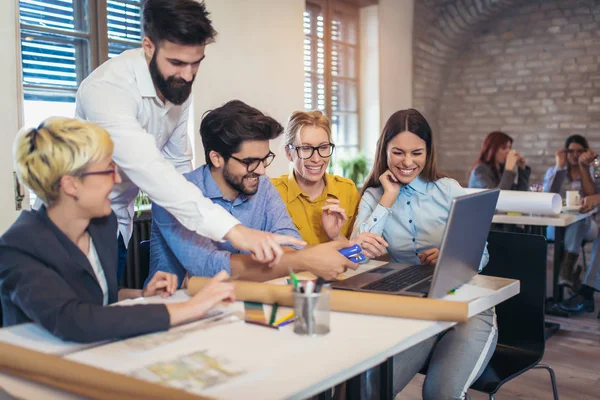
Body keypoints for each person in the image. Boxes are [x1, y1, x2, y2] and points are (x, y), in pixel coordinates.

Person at [75, 0, 302, 282]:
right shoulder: (107, 89)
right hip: (75, 221)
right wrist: (236, 232)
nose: (187, 75)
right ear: (148, 46)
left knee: (104, 310)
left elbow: (178, 165)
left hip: (117, 221)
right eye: (177, 63)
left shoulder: (179, 87)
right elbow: (150, 170)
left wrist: (188, 237)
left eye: (196, 63)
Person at [0, 118, 235, 343]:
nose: (116, 178)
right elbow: (73, 319)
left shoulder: (103, 224)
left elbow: (98, 300)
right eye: (106, 171)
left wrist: (141, 295)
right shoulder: (18, 248)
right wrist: (191, 308)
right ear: (71, 185)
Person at [353, 109, 496, 400]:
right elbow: (357, 253)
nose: (407, 162)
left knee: (440, 394)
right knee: (372, 392)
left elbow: (481, 254)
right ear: (385, 151)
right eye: (398, 152)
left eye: (417, 152)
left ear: (428, 152)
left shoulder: (447, 189)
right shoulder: (374, 196)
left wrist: (449, 255)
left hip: (466, 306)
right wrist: (388, 198)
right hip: (414, 308)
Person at [148, 101, 357, 287]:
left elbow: (289, 243)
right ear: (217, 158)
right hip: (177, 309)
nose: (262, 170)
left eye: (265, 159)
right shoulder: (176, 196)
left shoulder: (262, 186)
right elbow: (210, 269)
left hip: (243, 301)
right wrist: (302, 260)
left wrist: (303, 256)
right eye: (250, 162)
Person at [271, 110, 387, 258]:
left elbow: (357, 257)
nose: (316, 158)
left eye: (323, 147)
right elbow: (276, 257)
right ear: (289, 152)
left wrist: (336, 236)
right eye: (306, 148)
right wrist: (345, 246)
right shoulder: (272, 192)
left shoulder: (347, 189)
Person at [544, 135, 600, 290]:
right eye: (571, 151)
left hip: (587, 224)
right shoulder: (555, 171)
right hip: (557, 225)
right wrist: (559, 166)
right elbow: (547, 196)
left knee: (579, 221)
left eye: (580, 151)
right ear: (565, 153)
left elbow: (592, 196)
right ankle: (567, 274)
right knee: (568, 226)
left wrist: (584, 168)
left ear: (586, 152)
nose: (575, 155)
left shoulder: (593, 170)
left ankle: (566, 270)